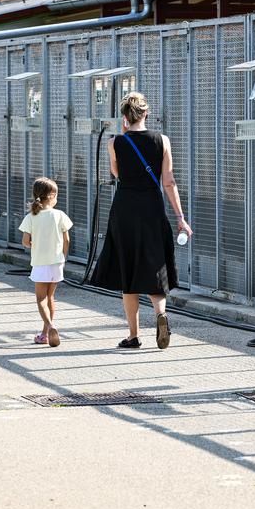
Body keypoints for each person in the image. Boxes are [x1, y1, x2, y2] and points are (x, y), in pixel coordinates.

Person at [88, 92, 192, 349]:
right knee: (154, 264)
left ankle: (133, 335)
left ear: (125, 117)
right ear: (146, 113)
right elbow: (168, 181)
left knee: (128, 269)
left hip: (124, 209)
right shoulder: (162, 140)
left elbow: (117, 173)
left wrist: (123, 139)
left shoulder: (115, 143)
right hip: (151, 207)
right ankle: (161, 315)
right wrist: (180, 217)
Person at [19, 177, 73, 347]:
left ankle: (50, 327)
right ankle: (45, 334)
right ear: (52, 196)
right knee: (50, 297)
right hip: (57, 262)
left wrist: (35, 244)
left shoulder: (31, 216)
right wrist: (63, 258)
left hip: (40, 263)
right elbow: (67, 240)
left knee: (40, 299)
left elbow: (25, 242)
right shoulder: (60, 215)